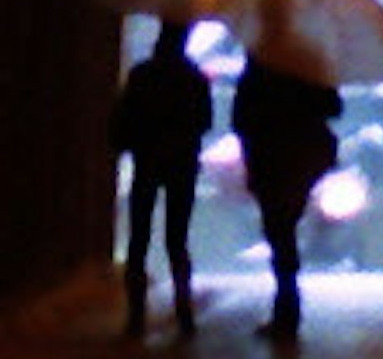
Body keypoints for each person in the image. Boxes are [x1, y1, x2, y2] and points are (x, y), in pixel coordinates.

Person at [230, 44, 342, 338]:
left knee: (277, 226)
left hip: (269, 156)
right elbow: (333, 106)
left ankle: (287, 298)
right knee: (286, 221)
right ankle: (288, 298)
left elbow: (241, 118)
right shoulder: (309, 60)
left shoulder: (257, 63)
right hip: (305, 154)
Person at [113, 20, 212, 333]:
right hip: (182, 163)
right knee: (177, 238)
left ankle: (136, 315)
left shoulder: (141, 74)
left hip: (147, 160)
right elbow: (205, 121)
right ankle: (183, 311)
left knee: (138, 237)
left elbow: (123, 117)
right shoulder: (194, 77)